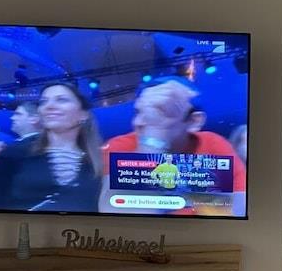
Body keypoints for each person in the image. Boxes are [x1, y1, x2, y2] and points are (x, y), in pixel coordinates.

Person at [0, 83, 103, 212]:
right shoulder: (20, 151)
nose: (49, 106)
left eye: (61, 100)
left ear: (83, 114)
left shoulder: (101, 159)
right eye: (43, 102)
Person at [100, 80, 246, 214]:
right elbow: (116, 212)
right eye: (139, 111)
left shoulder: (213, 143)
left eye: (160, 111)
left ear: (194, 122)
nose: (139, 122)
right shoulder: (121, 145)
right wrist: (154, 138)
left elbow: (241, 208)